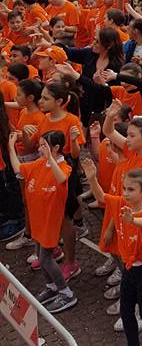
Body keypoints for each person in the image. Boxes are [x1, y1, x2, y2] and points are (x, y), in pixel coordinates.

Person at [81, 160, 142, 346]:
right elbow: (101, 197)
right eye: (125, 188)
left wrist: (133, 220)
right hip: (129, 268)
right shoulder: (120, 203)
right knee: (126, 310)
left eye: (131, 189)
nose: (125, 193)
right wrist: (91, 178)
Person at [7, 130, 77, 313]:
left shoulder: (63, 167)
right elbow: (18, 169)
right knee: (40, 256)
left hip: (49, 223)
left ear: (56, 148)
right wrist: (11, 146)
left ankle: (66, 292)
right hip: (38, 221)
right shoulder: (39, 164)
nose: (39, 148)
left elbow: (62, 178)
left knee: (46, 259)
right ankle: (52, 287)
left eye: (44, 145)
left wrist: (50, 159)